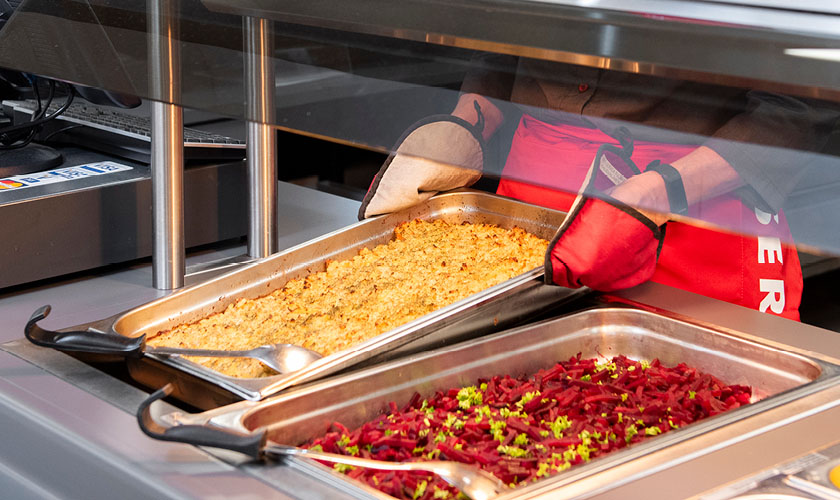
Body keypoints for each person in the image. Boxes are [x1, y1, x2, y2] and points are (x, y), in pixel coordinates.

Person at [359, 56, 839, 321]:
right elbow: (506, 37)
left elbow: (804, 101)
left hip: (689, 205)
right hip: (531, 199)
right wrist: (467, 125)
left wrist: (659, 191)